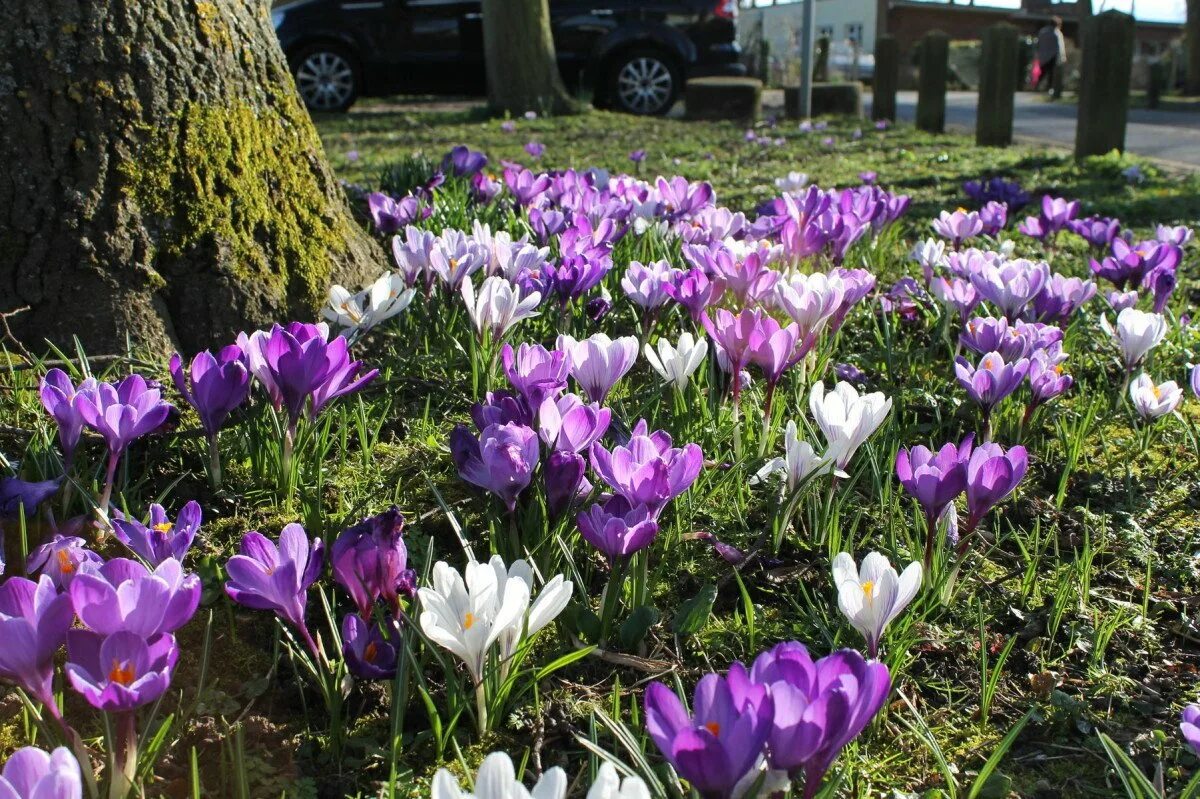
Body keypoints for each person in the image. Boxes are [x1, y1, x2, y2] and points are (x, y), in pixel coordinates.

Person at [1035, 16, 1066, 99]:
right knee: (1051, 74)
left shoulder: (1042, 32)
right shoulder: (1057, 33)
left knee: (1043, 72)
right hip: (1053, 56)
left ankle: (1037, 86)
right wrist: (1062, 56)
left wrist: (1038, 54)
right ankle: (1049, 88)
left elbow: (1038, 44)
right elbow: (1059, 46)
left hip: (1043, 56)